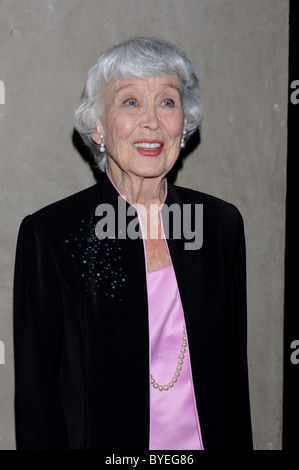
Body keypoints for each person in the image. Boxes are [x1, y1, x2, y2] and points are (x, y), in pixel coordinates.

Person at [13, 36, 253, 450]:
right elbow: (38, 400)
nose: (152, 122)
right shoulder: (52, 235)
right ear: (98, 126)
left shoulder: (219, 225)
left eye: (167, 101)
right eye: (130, 102)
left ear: (185, 122)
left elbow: (234, 384)